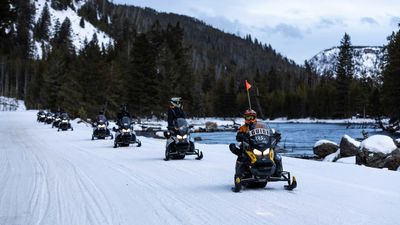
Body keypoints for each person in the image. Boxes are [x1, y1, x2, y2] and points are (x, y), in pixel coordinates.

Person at [230, 109, 283, 192]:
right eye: (248, 117)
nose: (250, 119)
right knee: (242, 157)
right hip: (248, 146)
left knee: (276, 155)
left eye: (252, 117)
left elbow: (269, 132)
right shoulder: (243, 127)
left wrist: (276, 135)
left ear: (255, 117)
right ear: (245, 118)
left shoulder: (260, 126)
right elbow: (238, 136)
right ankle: (239, 176)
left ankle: (278, 172)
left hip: (261, 145)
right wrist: (241, 136)